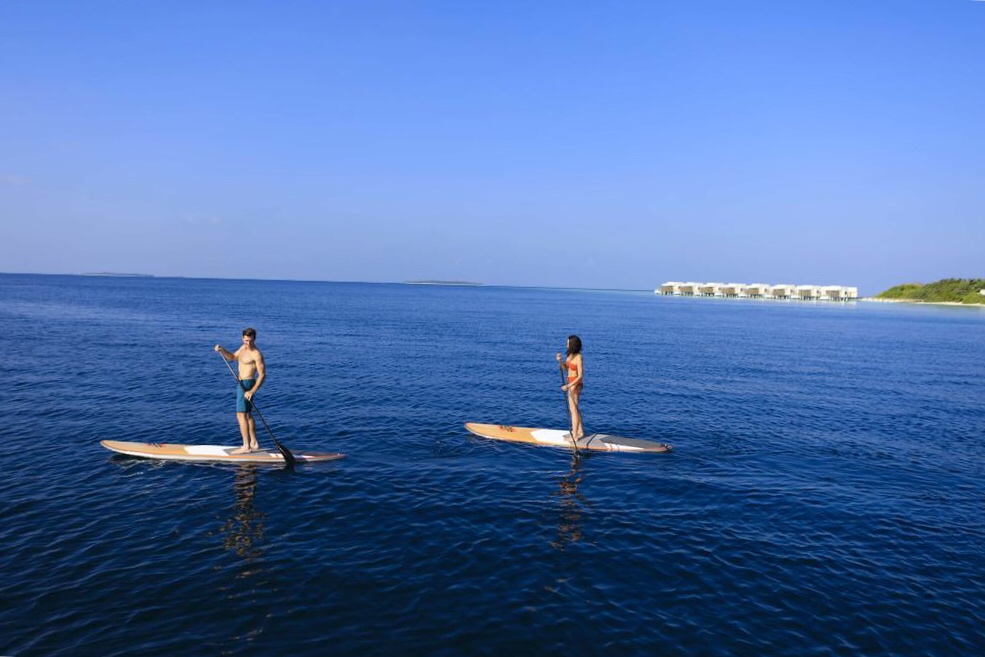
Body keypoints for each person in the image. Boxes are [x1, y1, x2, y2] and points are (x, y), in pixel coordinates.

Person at [214, 328, 266, 454]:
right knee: (247, 415)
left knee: (241, 415)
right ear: (243, 339)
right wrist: (222, 350)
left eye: (250, 340)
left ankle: (246, 446)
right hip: (241, 383)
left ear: (254, 339)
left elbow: (262, 375)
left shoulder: (256, 354)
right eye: (246, 340)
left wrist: (252, 391)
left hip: (248, 384)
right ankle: (254, 443)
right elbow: (232, 357)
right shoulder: (242, 348)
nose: (248, 343)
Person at [556, 334, 584, 441]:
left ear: (573, 344)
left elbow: (580, 376)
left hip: (575, 384)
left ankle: (575, 436)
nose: (566, 345)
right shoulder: (570, 356)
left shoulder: (579, 357)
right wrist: (560, 361)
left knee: (573, 410)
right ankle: (580, 431)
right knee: (575, 408)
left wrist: (568, 386)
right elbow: (565, 368)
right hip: (570, 383)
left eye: (568, 343)